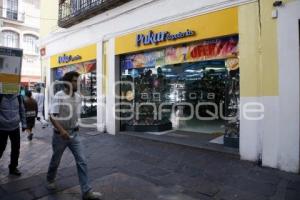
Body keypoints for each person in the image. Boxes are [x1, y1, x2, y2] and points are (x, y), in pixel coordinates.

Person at [47, 71, 102, 200]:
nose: (78, 83)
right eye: (75, 81)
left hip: (74, 134)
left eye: (78, 81)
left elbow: (76, 114)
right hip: (60, 135)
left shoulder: (78, 97)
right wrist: (62, 131)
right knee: (56, 160)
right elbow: (52, 116)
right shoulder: (58, 96)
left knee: (82, 161)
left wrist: (76, 125)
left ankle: (86, 191)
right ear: (67, 83)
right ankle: (50, 179)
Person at [0, 93, 28, 176]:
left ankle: (13, 167)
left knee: (16, 148)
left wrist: (24, 124)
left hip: (15, 127)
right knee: (1, 148)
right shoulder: (1, 96)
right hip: (2, 128)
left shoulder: (19, 97)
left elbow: (22, 110)